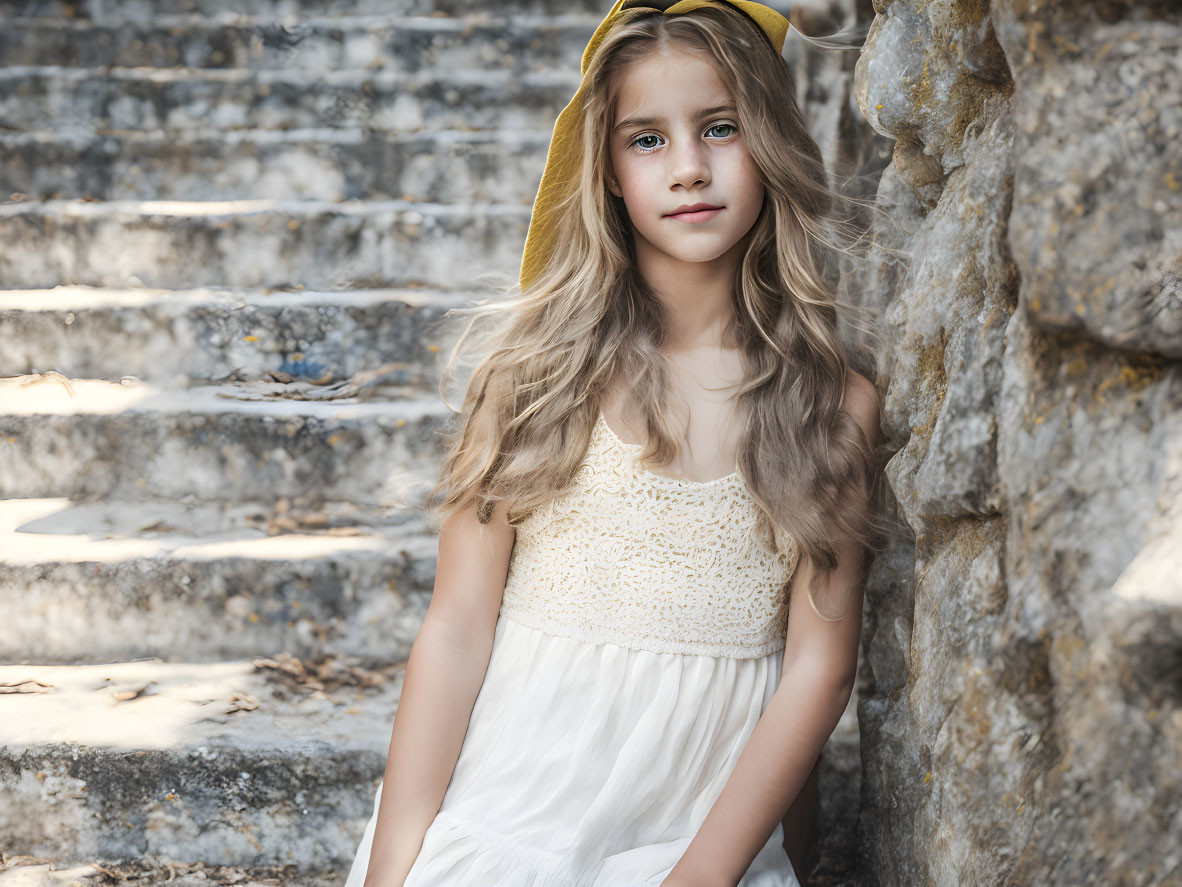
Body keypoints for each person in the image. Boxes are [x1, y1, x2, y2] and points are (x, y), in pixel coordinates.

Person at [345, 1, 887, 884]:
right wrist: (393, 864)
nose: (688, 169)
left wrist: (701, 875)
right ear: (604, 171)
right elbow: (454, 629)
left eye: (720, 128)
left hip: (697, 839)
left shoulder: (831, 406)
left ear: (771, 142)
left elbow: (818, 671)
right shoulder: (535, 377)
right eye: (647, 140)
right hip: (513, 811)